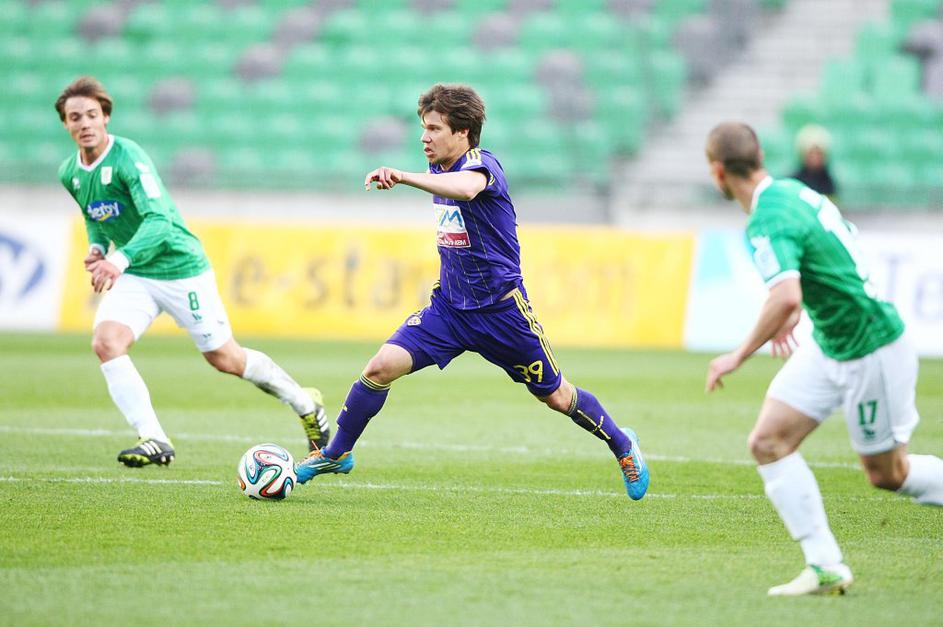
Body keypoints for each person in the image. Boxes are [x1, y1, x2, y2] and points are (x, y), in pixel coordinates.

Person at [294, 83, 649, 500]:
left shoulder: (482, 165)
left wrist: (406, 177)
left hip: (501, 314)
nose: (424, 137)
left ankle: (623, 445)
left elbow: (467, 189)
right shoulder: (441, 170)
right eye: (423, 128)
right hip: (449, 310)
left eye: (434, 128)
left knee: (556, 396)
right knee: (379, 367)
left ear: (462, 132)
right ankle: (338, 452)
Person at [704, 122, 943, 596]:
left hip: (869, 346)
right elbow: (838, 248)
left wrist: (738, 354)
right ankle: (824, 565)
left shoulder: (766, 220)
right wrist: (801, 305)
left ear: (717, 172)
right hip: (833, 341)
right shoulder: (794, 192)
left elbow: (785, 296)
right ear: (761, 156)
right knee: (769, 442)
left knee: (887, 474)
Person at [55, 76, 330, 467]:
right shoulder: (70, 172)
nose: (84, 123)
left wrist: (117, 260)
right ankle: (154, 439)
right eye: (75, 117)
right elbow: (95, 212)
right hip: (136, 273)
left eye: (92, 115)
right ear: (65, 124)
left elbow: (160, 221)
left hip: (181, 269)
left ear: (106, 118)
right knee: (106, 343)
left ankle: (306, 404)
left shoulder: (128, 158)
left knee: (225, 359)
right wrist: (98, 247)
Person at [791, 124, 837, 198]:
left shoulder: (829, 182)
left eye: (818, 153)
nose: (815, 158)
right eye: (811, 153)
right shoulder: (794, 181)